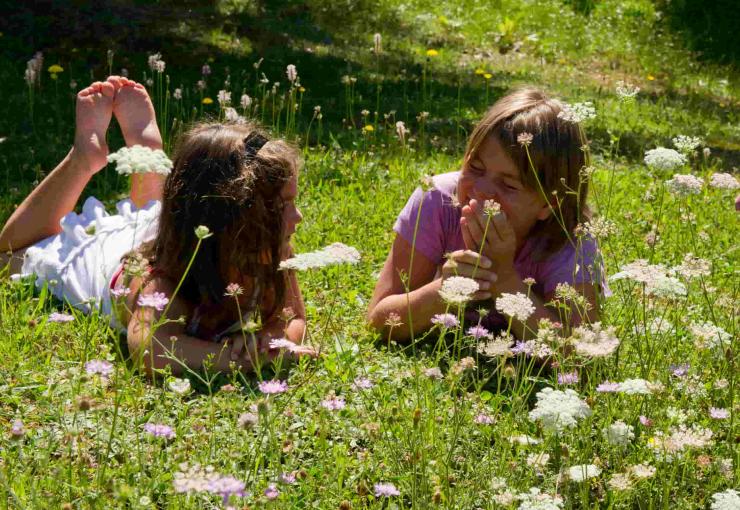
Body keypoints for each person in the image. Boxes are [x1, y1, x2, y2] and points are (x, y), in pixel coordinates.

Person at [0, 77, 314, 375]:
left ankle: (146, 152)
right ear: (230, 221)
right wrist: (240, 361)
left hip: (166, 229)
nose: (297, 217)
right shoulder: (163, 282)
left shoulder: (270, 250)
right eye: (279, 207)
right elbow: (150, 349)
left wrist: (271, 341)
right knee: (11, 256)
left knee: (152, 212)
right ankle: (84, 157)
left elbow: (293, 317)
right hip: (102, 257)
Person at [367, 87, 606, 342]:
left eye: (508, 185)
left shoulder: (572, 241)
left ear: (550, 204)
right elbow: (378, 322)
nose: (480, 190)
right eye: (476, 167)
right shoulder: (437, 200)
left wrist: (503, 279)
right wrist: (445, 290)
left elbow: (581, 354)